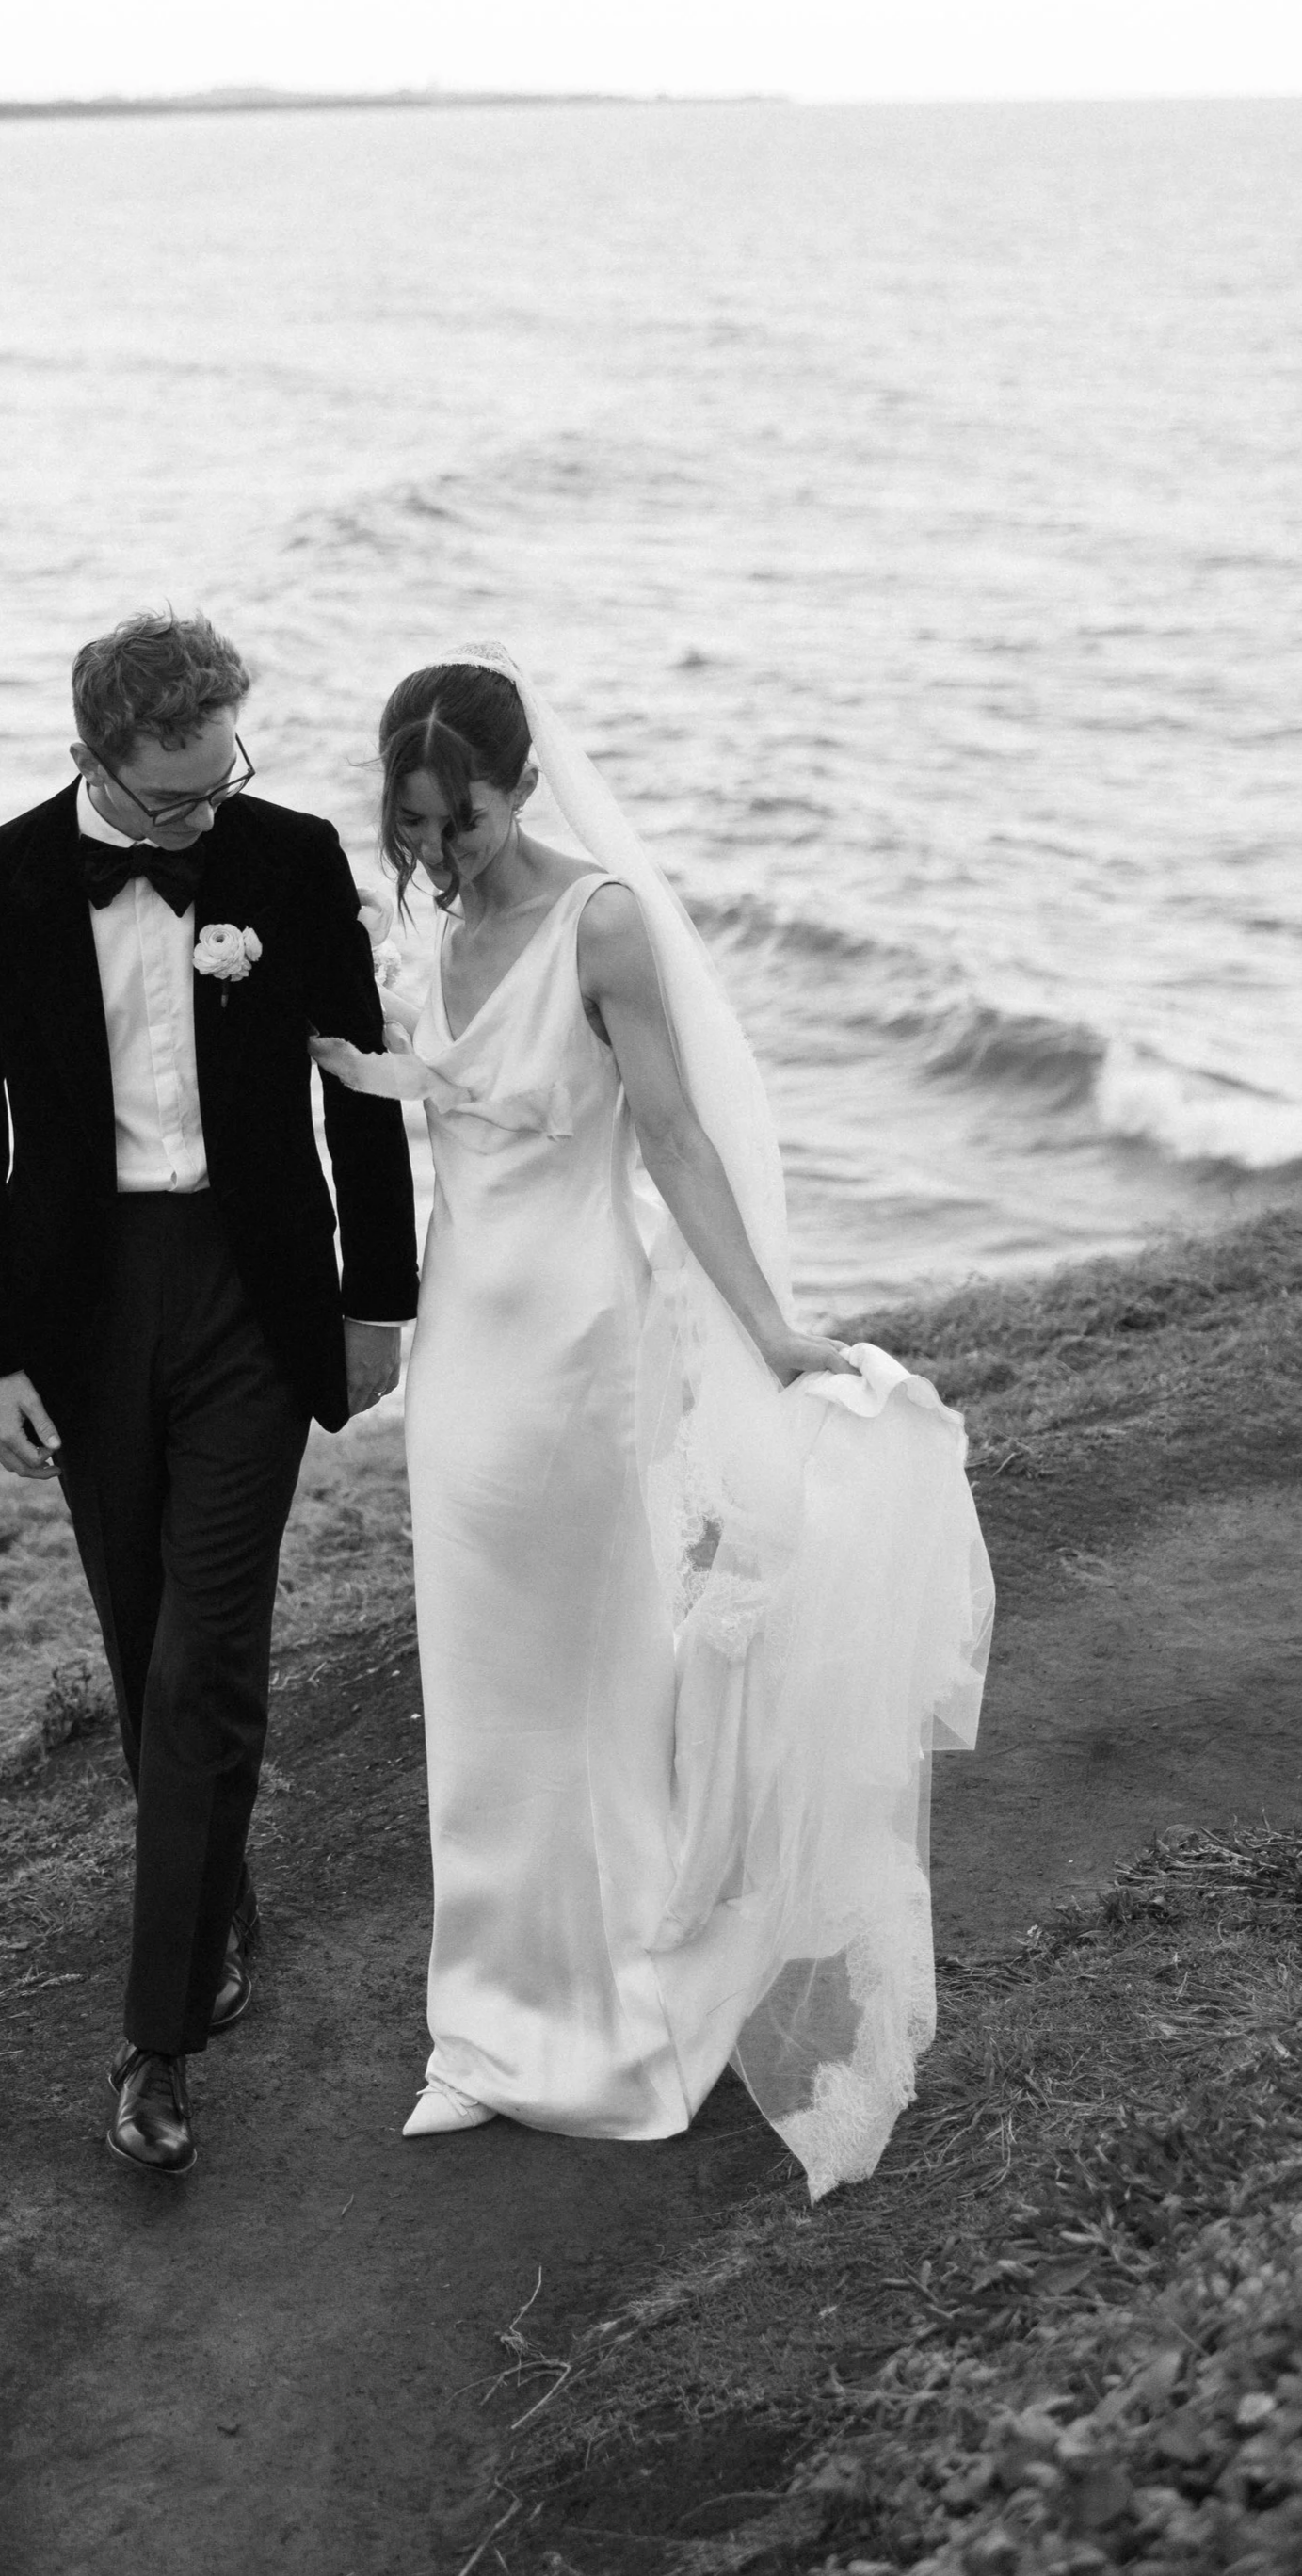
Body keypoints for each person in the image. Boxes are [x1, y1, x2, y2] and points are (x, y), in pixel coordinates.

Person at [313, 652, 991, 2198]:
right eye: (413, 824)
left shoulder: (600, 921)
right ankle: (487, 2029)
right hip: (464, 1350)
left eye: (463, 819)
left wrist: (768, 1329)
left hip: (579, 1348)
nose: (439, 850)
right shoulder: (428, 922)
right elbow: (432, 1097)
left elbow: (675, 1137)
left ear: (520, 784)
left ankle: (621, 2018)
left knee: (589, 1678)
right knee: (480, 1687)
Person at [0, 612, 418, 2177]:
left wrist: (376, 1300)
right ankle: (214, 1890)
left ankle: (158, 2041)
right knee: (144, 1646)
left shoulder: (290, 858)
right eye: (178, 797)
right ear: (96, 757)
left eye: (225, 781)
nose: (210, 814)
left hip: (252, 1299)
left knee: (208, 1647)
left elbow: (360, 1092)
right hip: (80, 1313)